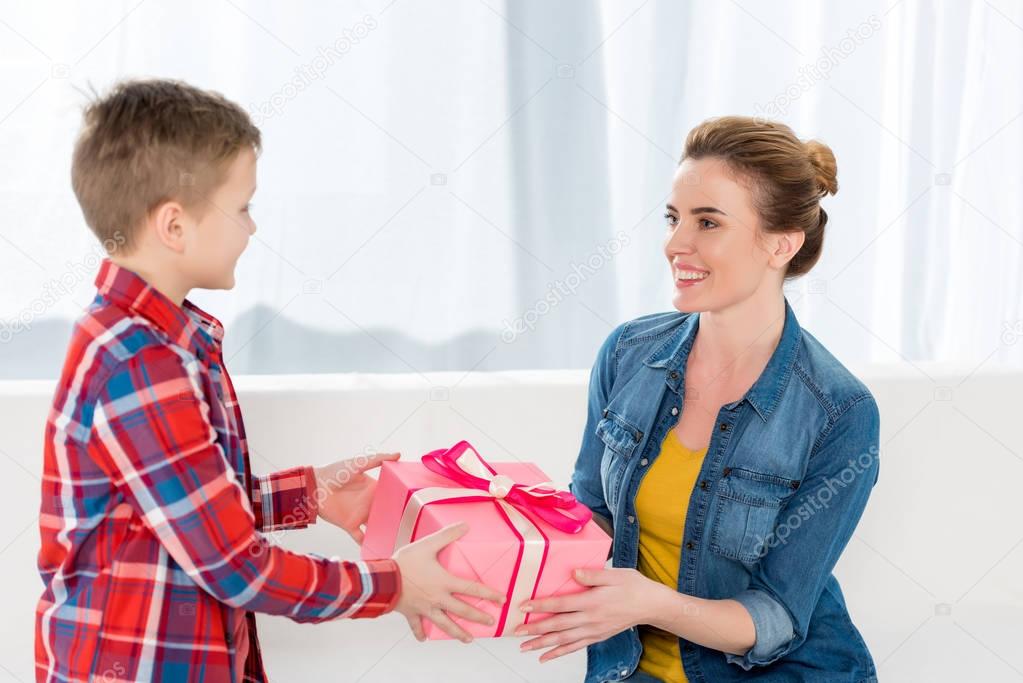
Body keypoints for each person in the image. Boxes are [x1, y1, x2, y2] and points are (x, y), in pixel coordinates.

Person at [35, 79, 504, 683]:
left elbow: (185, 508)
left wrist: (311, 493)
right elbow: (235, 566)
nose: (252, 229)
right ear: (174, 226)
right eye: (244, 207)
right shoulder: (140, 363)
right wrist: (394, 584)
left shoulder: (158, 343)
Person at [514, 116, 880, 683]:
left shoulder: (839, 412)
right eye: (673, 218)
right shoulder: (629, 354)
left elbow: (776, 617)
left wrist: (649, 602)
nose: (674, 244)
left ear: (780, 244)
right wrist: (492, 533)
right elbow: (591, 519)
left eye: (708, 222)